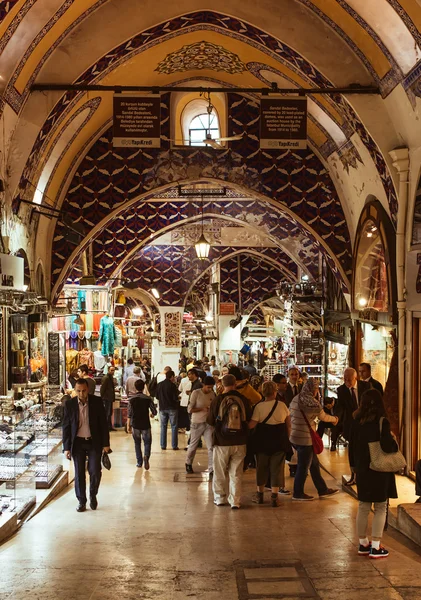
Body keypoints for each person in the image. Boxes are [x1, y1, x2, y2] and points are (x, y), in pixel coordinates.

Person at [349, 388, 398, 558]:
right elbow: (386, 446)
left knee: (363, 506)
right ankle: (376, 547)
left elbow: (351, 445)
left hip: (362, 468)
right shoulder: (381, 421)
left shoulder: (356, 421)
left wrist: (353, 466)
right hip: (378, 469)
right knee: (380, 506)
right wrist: (393, 440)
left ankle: (363, 544)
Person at [62, 378, 110, 512]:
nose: (81, 393)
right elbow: (66, 427)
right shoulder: (70, 405)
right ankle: (81, 501)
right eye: (78, 391)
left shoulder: (96, 402)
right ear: (75, 390)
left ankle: (93, 494)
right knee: (79, 473)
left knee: (95, 471)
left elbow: (103, 425)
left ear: (87, 389)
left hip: (93, 442)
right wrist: (66, 448)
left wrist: (106, 444)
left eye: (83, 391)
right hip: (77, 443)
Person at [289, 378, 339, 501]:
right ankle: (298, 493)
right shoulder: (313, 403)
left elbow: (290, 412)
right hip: (306, 439)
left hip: (294, 436)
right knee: (303, 467)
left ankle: (322, 490)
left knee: (314, 465)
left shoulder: (296, 398)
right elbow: (324, 417)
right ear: (314, 389)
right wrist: (335, 419)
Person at [207, 374, 252, 508]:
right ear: (235, 383)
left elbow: (210, 420)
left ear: (222, 384)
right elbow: (248, 418)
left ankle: (220, 498)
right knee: (236, 473)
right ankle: (235, 501)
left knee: (219, 471)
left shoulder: (218, 399)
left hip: (221, 441)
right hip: (240, 441)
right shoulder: (243, 400)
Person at [249, 381, 291, 507]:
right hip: (279, 440)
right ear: (275, 391)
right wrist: (287, 438)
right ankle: (274, 496)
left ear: (262, 392)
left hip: (262, 440)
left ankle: (260, 495)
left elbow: (252, 425)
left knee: (261, 467)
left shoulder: (259, 407)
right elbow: (288, 424)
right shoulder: (282, 406)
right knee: (277, 468)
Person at [185, 376, 216, 475]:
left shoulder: (213, 394)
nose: (209, 389)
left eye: (211, 387)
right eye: (208, 387)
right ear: (203, 385)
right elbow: (189, 409)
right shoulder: (196, 393)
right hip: (197, 423)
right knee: (193, 446)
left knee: (210, 446)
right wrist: (202, 409)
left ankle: (211, 468)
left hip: (208, 424)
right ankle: (188, 463)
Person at [127, 379, 157, 469]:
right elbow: (154, 411)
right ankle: (146, 456)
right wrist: (152, 414)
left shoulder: (131, 400)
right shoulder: (148, 399)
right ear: (144, 387)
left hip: (135, 423)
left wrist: (128, 425)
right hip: (145, 423)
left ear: (135, 387)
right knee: (147, 442)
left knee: (137, 443)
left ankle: (139, 462)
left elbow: (129, 413)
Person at [156, 370, 180, 450]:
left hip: (162, 408)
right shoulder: (172, 386)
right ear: (172, 377)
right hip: (172, 408)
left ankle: (163, 445)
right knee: (174, 426)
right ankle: (174, 445)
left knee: (163, 426)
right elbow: (175, 397)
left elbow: (157, 397)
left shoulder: (159, 385)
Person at [100, 365, 117, 431]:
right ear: (108, 370)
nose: (113, 372)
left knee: (109, 413)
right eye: (111, 370)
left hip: (109, 398)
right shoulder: (106, 378)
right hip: (106, 398)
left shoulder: (110, 378)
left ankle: (109, 426)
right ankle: (106, 427)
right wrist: (102, 397)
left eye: (113, 370)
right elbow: (103, 388)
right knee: (107, 413)